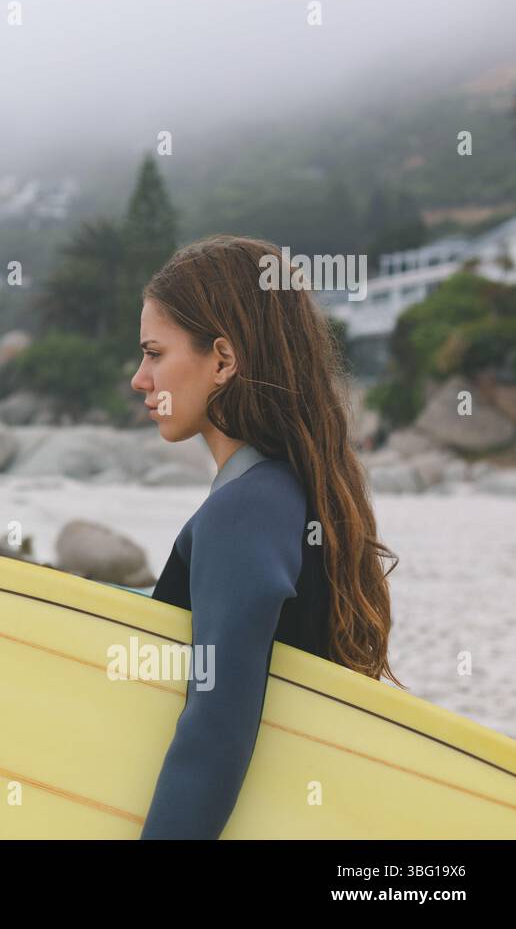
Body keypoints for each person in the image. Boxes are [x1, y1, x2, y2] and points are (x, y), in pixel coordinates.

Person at [129, 235, 402, 840]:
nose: (139, 379)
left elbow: (215, 729)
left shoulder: (244, 510)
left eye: (153, 353)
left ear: (222, 361)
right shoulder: (297, 492)